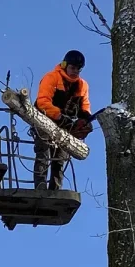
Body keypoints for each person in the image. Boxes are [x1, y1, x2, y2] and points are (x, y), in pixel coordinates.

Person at [32, 50, 94, 191]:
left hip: (64, 126)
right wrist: (59, 116)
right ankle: (40, 187)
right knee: (43, 152)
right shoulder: (51, 78)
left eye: (78, 69)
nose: (74, 72)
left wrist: (85, 120)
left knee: (60, 158)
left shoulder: (82, 85)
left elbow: (85, 106)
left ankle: (55, 190)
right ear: (65, 65)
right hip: (44, 120)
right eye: (72, 68)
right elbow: (43, 102)